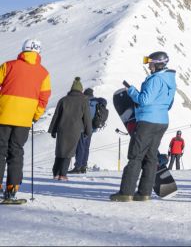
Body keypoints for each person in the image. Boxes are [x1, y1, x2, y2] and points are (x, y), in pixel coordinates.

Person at [110, 51, 176, 202]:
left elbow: (144, 100)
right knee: (151, 157)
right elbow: (169, 103)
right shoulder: (170, 80)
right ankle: (144, 193)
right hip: (162, 121)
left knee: (136, 156)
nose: (148, 65)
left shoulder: (155, 79)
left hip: (147, 121)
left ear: (158, 63)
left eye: (150, 62)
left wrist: (132, 91)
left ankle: (126, 193)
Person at [0, 39, 51, 203]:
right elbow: (44, 99)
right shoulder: (44, 73)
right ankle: (12, 190)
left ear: (23, 50)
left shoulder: (8, 65)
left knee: (0, 150)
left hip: (3, 114)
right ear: (38, 52)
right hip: (24, 120)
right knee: (16, 152)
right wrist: (35, 115)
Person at [48, 77, 92, 181]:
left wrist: (52, 130)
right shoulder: (84, 101)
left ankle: (55, 173)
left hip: (61, 129)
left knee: (60, 151)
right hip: (75, 130)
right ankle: (63, 175)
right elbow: (87, 118)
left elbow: (56, 116)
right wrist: (88, 131)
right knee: (69, 152)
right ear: (81, 90)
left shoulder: (63, 100)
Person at [71, 88, 107, 174]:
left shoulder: (86, 102)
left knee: (80, 147)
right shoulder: (97, 102)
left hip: (83, 128)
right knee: (86, 147)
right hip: (92, 129)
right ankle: (83, 166)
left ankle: (78, 167)